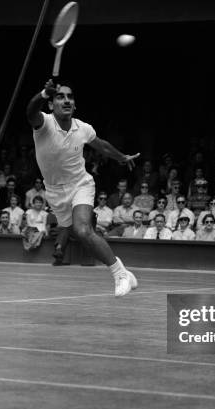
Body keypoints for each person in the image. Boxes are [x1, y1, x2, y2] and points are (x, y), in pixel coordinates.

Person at [26, 79, 139, 296]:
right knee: (81, 236)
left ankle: (119, 274)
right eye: (60, 96)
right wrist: (42, 94)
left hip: (81, 185)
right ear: (51, 104)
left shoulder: (83, 128)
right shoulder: (43, 123)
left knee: (82, 229)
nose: (66, 100)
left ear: (74, 105)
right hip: (55, 192)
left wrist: (122, 157)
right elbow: (30, 112)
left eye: (70, 97)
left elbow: (102, 145)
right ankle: (121, 267)